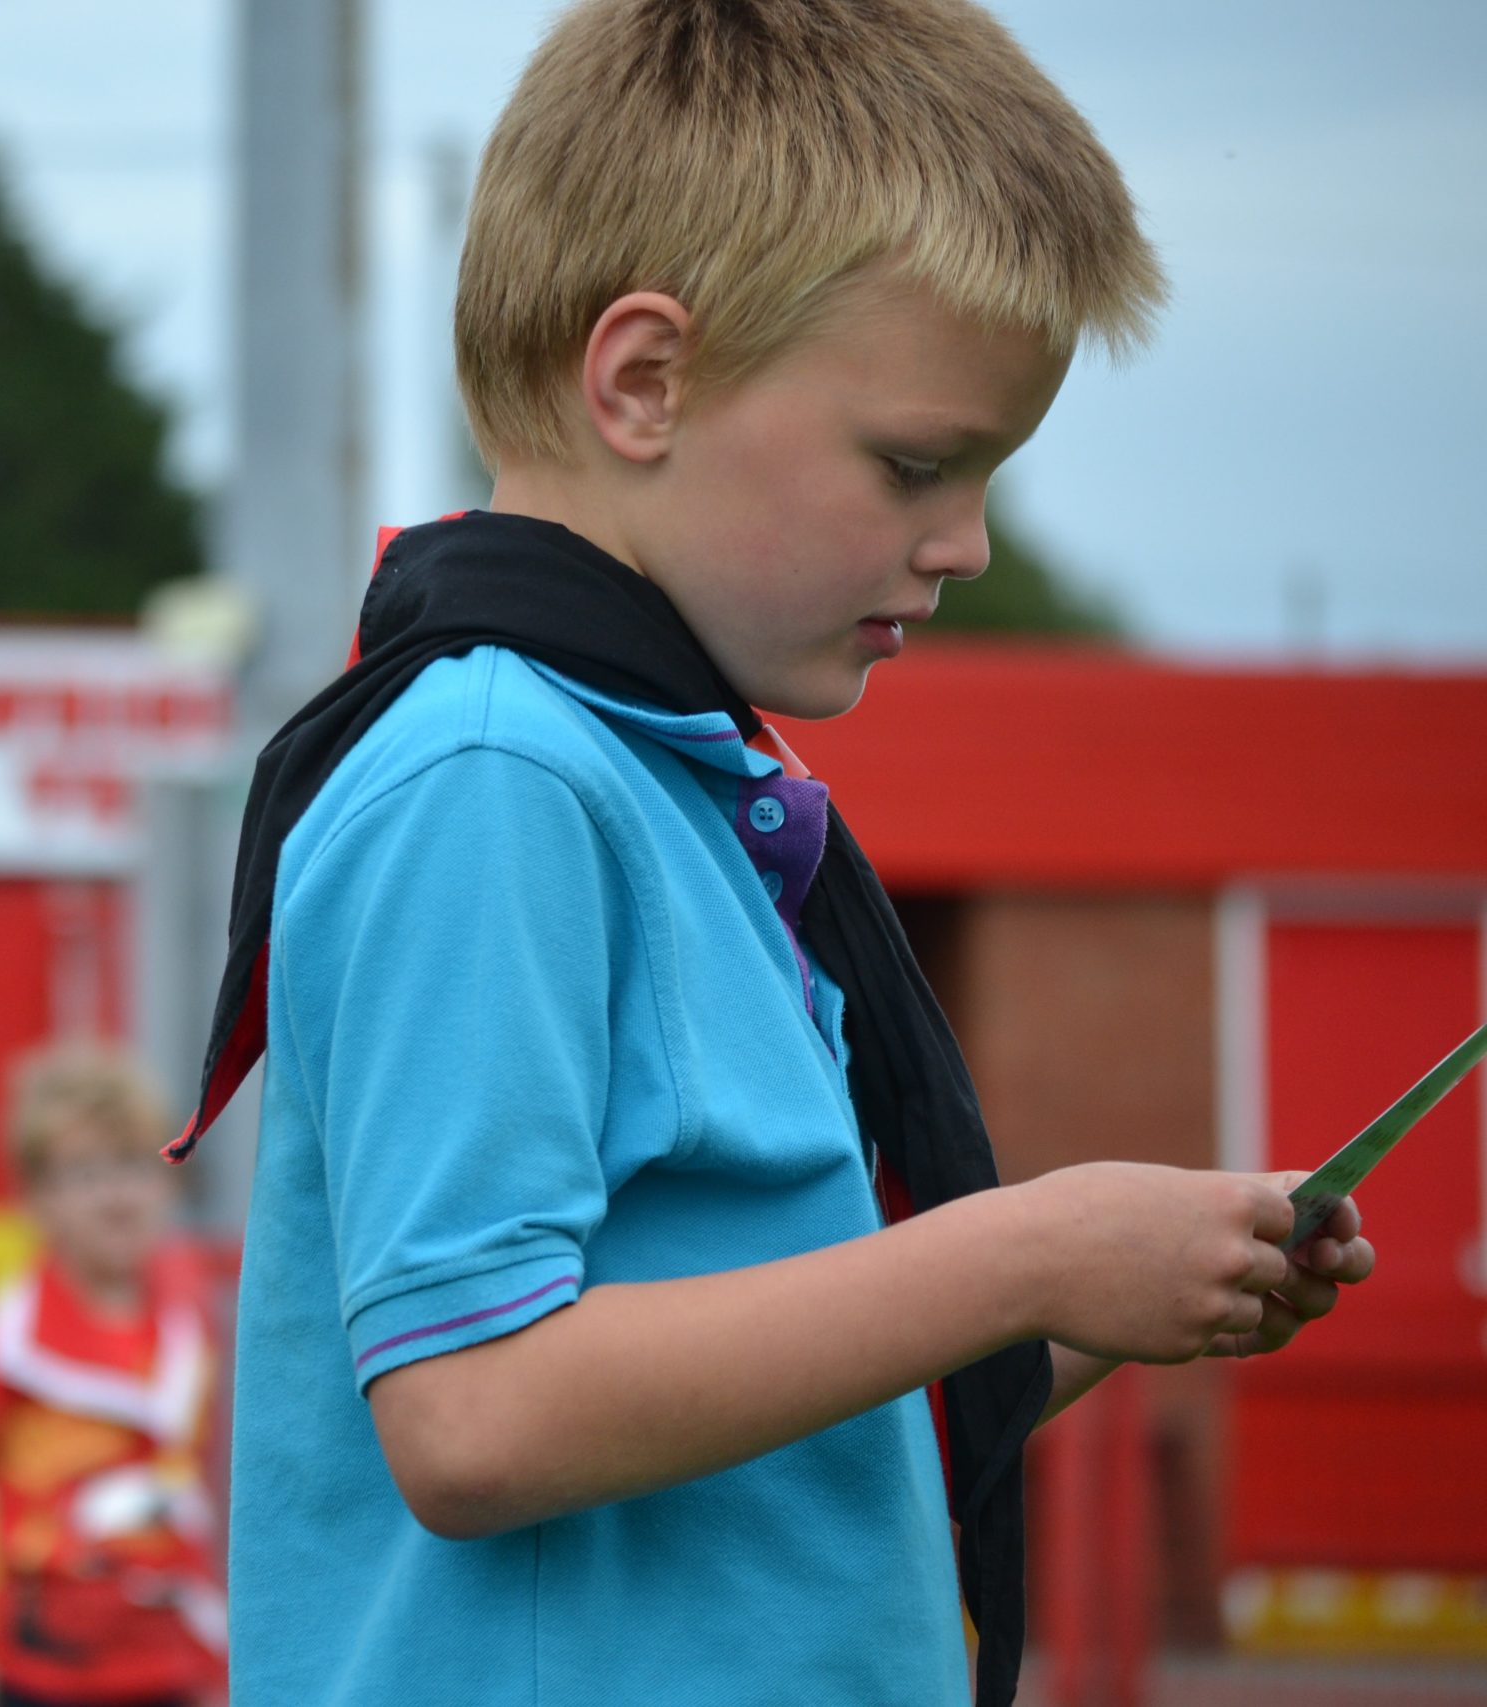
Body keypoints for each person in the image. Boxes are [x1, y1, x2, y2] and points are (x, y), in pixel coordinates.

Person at [169, 3, 1382, 1703]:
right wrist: (1018, 1249)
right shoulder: (498, 779)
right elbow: (479, 1411)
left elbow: (758, 1412)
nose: (959, 544)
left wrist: (1077, 1309)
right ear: (645, 381)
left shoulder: (679, 788)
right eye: (914, 463)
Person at [0, 1041, 226, 1707]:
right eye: (85, 1173)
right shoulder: (13, 1338)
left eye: (136, 1164)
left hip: (179, 1667)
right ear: (37, 1198)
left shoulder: (192, 1314)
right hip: (45, 1677)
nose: (116, 1194)